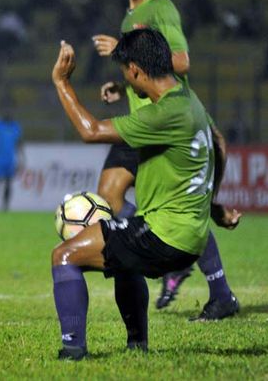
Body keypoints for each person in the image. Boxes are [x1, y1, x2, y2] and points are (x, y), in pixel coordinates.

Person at [51, 29, 241, 360]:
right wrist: (213, 205)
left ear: (136, 71)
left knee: (64, 256)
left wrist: (62, 83)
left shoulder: (162, 114)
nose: (126, 80)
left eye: (126, 72)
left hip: (165, 236)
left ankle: (73, 350)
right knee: (124, 258)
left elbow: (90, 130)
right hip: (189, 235)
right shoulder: (188, 99)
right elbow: (219, 143)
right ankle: (137, 347)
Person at [91, 0, 239, 318]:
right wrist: (123, 84)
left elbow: (182, 62)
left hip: (164, 125)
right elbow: (148, 71)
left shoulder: (161, 10)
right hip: (143, 121)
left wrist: (121, 51)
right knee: (109, 195)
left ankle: (208, 282)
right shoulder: (131, 14)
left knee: (172, 207)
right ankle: (173, 253)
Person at [0, 109, 24, 212]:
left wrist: (22, 159)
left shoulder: (15, 126)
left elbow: (19, 143)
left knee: (8, 182)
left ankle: (5, 206)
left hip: (10, 159)